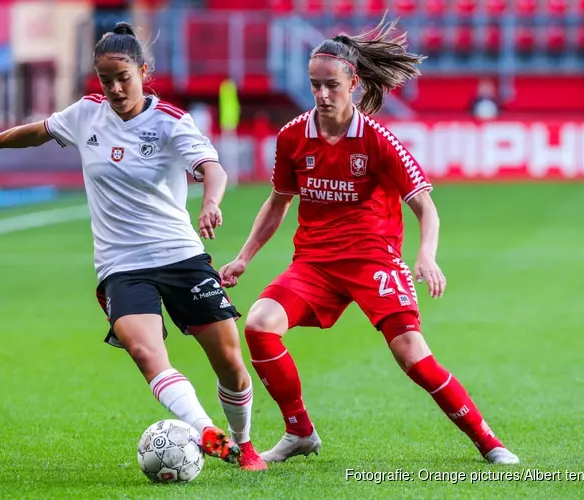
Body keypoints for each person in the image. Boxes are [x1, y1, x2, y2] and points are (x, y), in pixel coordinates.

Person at [0, 22, 266, 471]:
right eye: (107, 80)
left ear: (144, 71)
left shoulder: (171, 122)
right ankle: (207, 433)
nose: (117, 88)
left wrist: (211, 203)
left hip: (179, 254)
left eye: (124, 77)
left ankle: (245, 441)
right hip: (121, 264)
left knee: (230, 362)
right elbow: (41, 129)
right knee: (145, 352)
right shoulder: (87, 113)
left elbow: (211, 167)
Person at [220, 17, 519, 465]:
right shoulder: (293, 136)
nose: (322, 95)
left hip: (372, 261)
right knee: (260, 324)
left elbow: (426, 206)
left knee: (411, 353)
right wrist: (244, 257)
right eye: (314, 85)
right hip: (314, 265)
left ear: (354, 84)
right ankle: (300, 432)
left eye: (331, 86)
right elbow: (278, 202)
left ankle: (487, 440)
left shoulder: (379, 141)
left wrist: (426, 254)